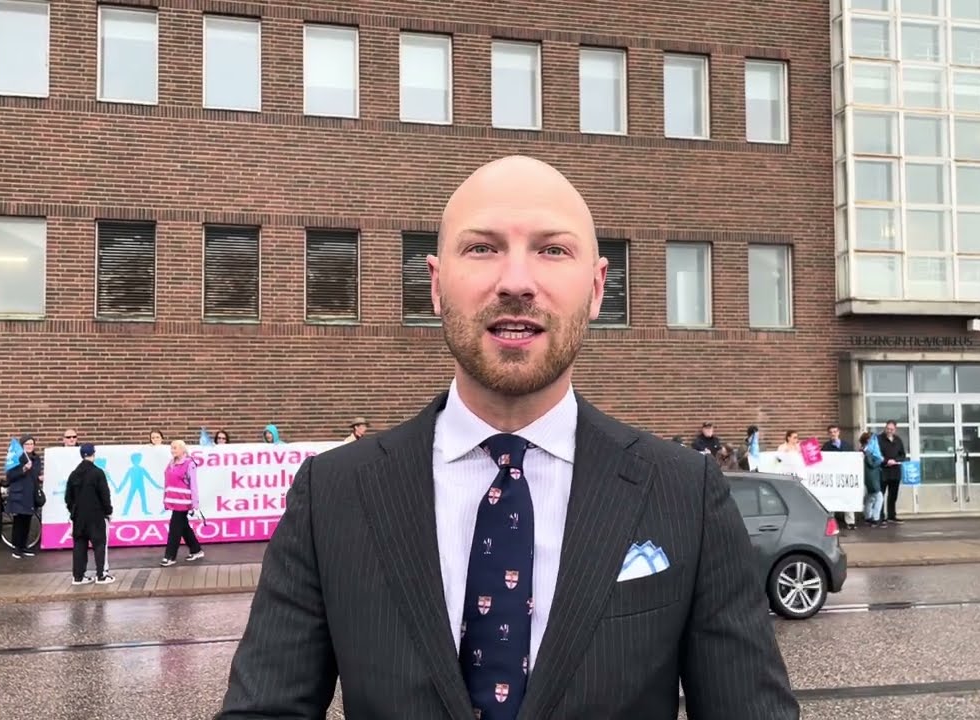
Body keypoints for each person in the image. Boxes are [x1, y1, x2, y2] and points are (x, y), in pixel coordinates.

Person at [217, 156, 799, 720]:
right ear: (436, 284)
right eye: (482, 247)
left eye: (552, 250)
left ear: (596, 288)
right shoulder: (331, 494)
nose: (517, 282)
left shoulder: (686, 494)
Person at [64, 443, 115, 585]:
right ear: (93, 454)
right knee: (99, 544)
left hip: (78, 516)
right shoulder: (98, 472)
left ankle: (78, 577)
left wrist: (73, 510)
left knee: (79, 545)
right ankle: (101, 575)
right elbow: (105, 494)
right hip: (96, 515)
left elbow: (68, 497)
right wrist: (108, 511)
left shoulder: (74, 474)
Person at [161, 439, 204, 566]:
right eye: (171, 448)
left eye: (175, 448)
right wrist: (165, 498)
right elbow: (167, 481)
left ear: (182, 449)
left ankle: (170, 556)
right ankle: (196, 550)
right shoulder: (171, 463)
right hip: (173, 500)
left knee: (174, 527)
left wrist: (195, 505)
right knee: (183, 526)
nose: (172, 450)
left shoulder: (189, 463)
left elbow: (193, 485)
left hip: (184, 501)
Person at [3, 434, 41, 558]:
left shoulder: (36, 459)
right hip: (19, 494)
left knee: (27, 521)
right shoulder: (16, 459)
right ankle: (16, 548)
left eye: (31, 444)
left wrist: (39, 478)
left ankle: (24, 546)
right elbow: (10, 477)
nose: (30, 446)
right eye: (27, 444)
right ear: (22, 446)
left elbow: (35, 475)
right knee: (19, 522)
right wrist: (24, 469)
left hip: (30, 494)